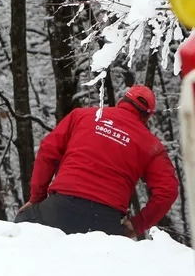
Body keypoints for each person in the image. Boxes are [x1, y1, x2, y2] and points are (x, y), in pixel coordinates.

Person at [16, 85, 179, 238]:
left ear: (122, 101)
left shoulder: (81, 115)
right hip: (106, 221)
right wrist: (137, 224)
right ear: (147, 117)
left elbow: (47, 151)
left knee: (22, 227)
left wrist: (36, 198)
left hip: (61, 207)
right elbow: (168, 190)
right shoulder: (152, 146)